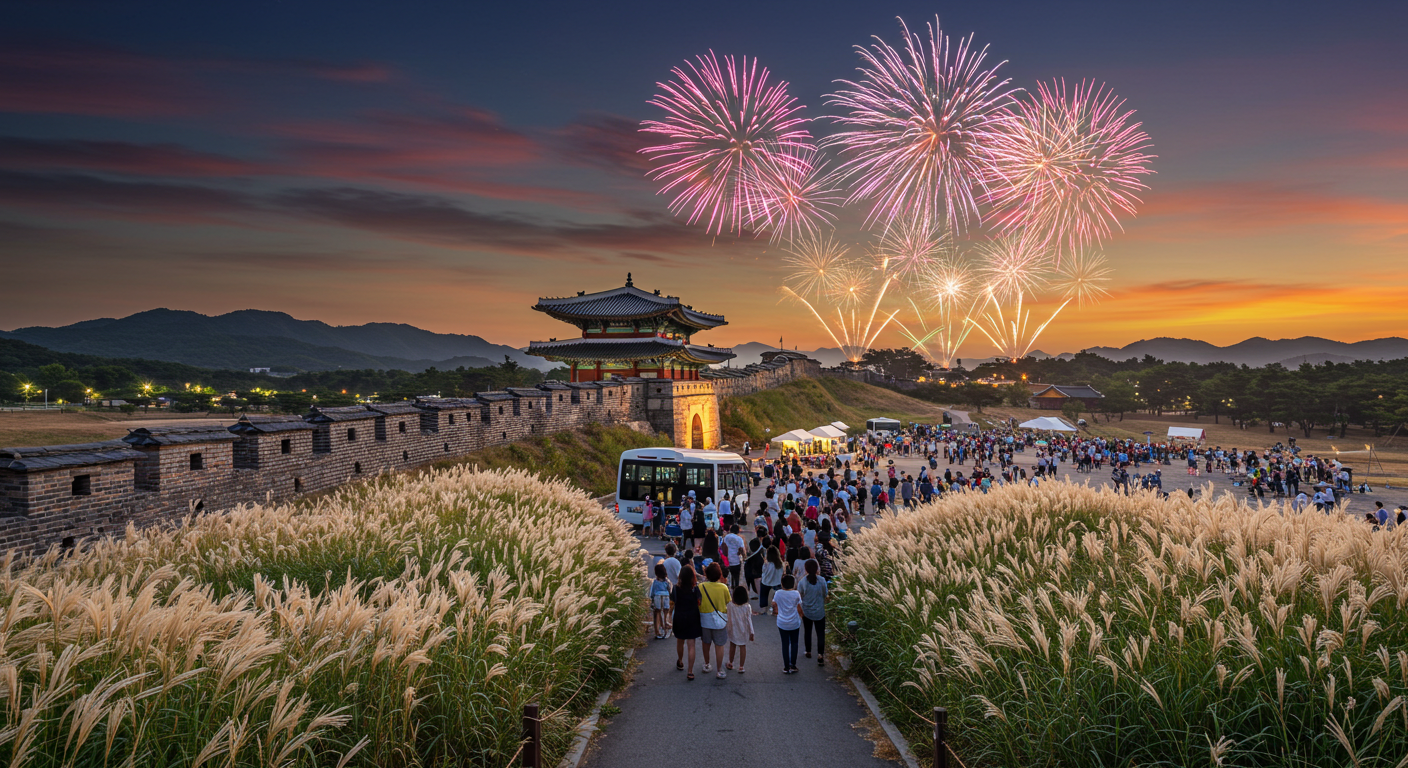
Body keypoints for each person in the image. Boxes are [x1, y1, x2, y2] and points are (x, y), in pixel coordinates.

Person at [699, 562, 732, 679]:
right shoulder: (723, 588)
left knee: (706, 643)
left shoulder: (701, 587)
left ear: (707, 574)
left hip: (705, 620)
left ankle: (707, 664)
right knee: (719, 645)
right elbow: (728, 602)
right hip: (720, 621)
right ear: (719, 575)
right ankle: (719, 669)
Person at [673, 565, 702, 681]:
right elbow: (699, 602)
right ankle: (690, 671)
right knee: (691, 645)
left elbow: (673, 602)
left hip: (679, 617)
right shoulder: (695, 589)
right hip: (692, 617)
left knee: (680, 641)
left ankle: (680, 661)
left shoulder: (676, 588)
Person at [798, 559, 828, 665]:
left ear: (806, 569)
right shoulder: (822, 580)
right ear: (817, 569)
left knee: (808, 631)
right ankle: (820, 654)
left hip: (807, 611)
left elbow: (800, 596)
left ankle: (808, 651)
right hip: (819, 611)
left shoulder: (802, 582)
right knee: (820, 633)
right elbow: (825, 593)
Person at [772, 573, 803, 674]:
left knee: (785, 644)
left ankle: (786, 667)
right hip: (794, 622)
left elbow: (774, 603)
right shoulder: (796, 593)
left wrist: (776, 610)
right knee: (794, 643)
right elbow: (799, 607)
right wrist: (802, 616)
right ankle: (793, 665)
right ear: (793, 584)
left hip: (782, 622)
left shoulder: (778, 593)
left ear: (782, 584)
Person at [726, 585, 755, 674]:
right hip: (743, 630)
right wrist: (751, 632)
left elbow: (728, 617)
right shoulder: (747, 606)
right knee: (743, 646)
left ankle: (730, 663)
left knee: (732, 645)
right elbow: (749, 620)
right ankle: (741, 666)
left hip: (733, 629)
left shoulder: (730, 605)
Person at [650, 562, 672, 639]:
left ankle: (658, 631)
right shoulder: (667, 581)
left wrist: (652, 599)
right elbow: (670, 589)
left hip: (657, 597)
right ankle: (665, 628)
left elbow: (652, 591)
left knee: (658, 613)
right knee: (665, 613)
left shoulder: (655, 581)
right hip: (666, 596)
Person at [760, 545, 783, 614]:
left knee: (764, 595)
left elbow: (763, 571)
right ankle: (776, 608)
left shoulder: (767, 564)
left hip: (766, 582)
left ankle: (764, 609)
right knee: (777, 595)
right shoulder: (780, 564)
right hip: (777, 582)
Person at [722, 524, 746, 589]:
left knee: (732, 574)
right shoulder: (739, 539)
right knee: (737, 576)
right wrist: (744, 557)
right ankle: (736, 587)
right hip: (736, 560)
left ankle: (732, 586)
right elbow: (741, 549)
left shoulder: (726, 537)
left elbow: (723, 547)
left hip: (728, 560)